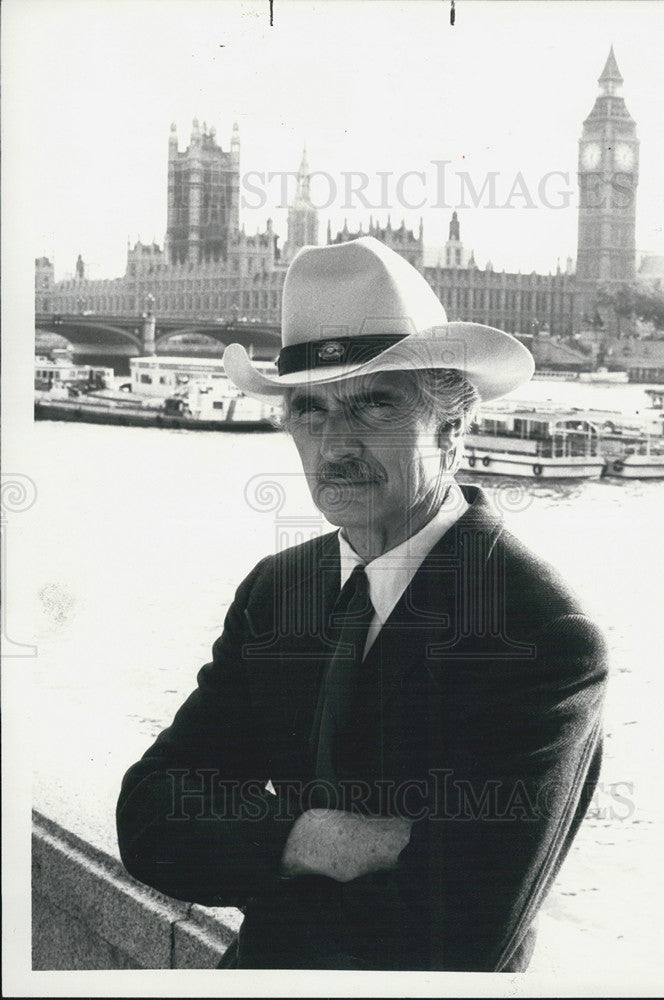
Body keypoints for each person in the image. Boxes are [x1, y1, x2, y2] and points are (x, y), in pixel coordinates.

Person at [116, 237, 608, 972]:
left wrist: (253, 848)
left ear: (451, 428)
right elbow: (150, 819)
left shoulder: (538, 631)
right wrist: (324, 838)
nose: (335, 445)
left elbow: (461, 926)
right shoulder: (279, 590)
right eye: (310, 412)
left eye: (373, 406)